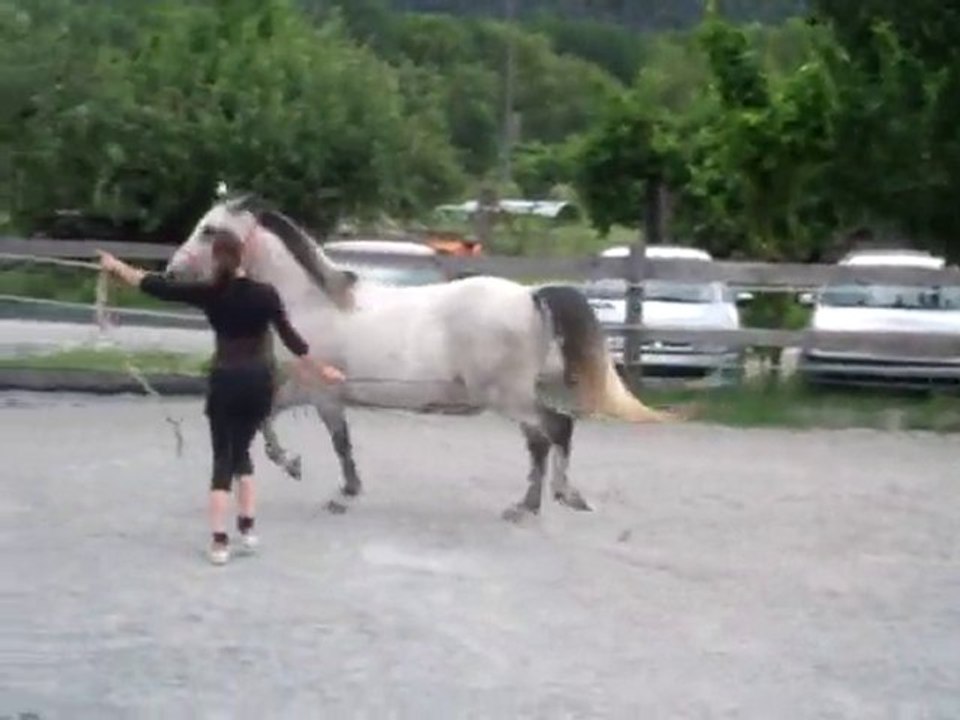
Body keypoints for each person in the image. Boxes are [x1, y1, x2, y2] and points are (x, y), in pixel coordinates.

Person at [97, 231, 344, 565]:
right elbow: (292, 339)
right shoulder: (266, 294)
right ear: (243, 257)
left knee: (222, 461)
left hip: (225, 381)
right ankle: (247, 527)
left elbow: (156, 286)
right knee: (242, 451)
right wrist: (322, 370)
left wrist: (115, 267)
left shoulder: (210, 292)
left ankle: (219, 542)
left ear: (215, 258)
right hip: (259, 384)